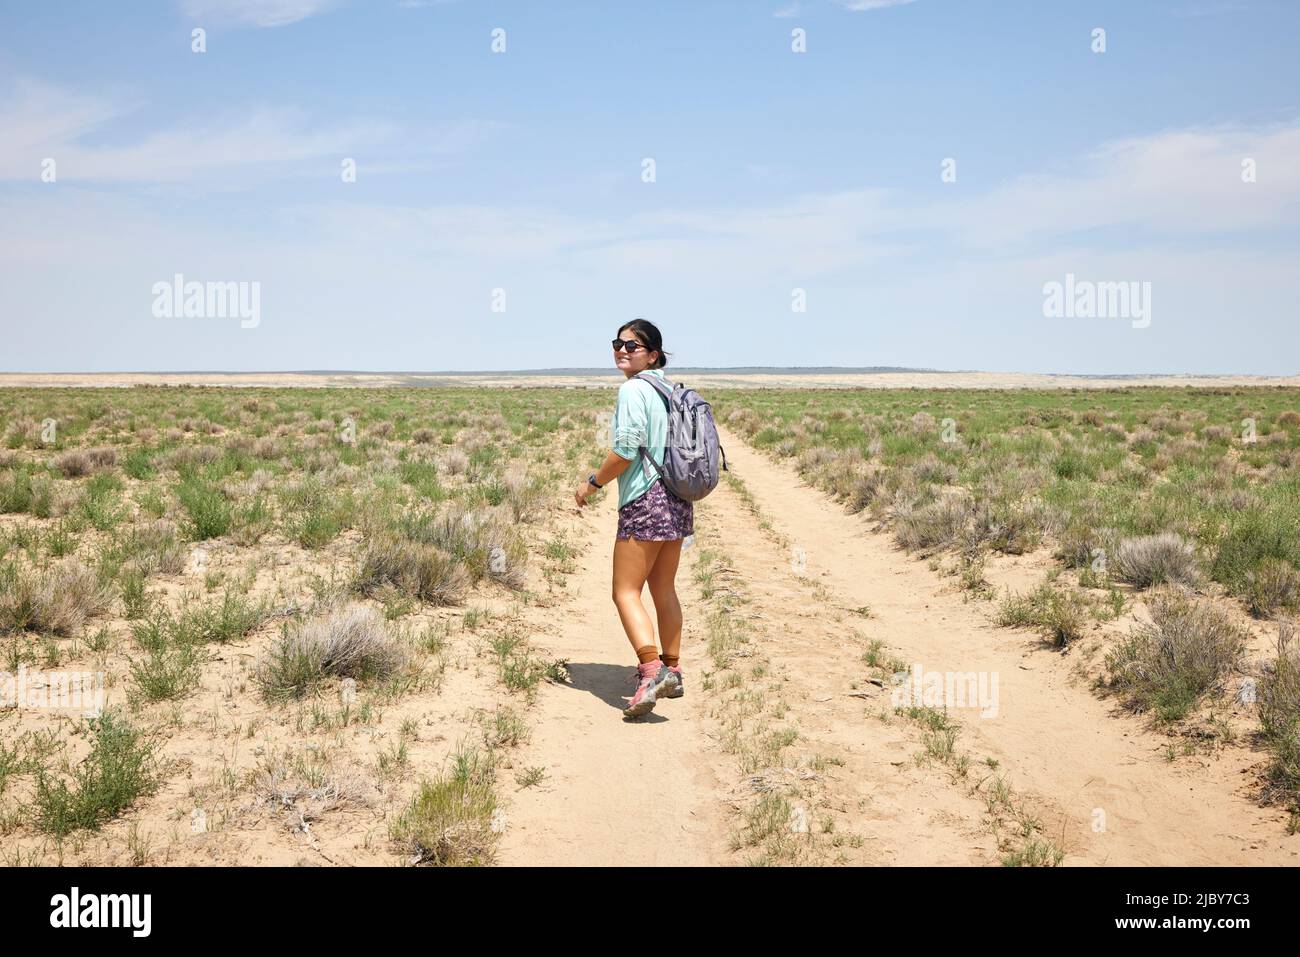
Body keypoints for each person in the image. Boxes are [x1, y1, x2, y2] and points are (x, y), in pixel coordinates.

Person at [573, 319, 693, 718]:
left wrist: (592, 483)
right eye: (618, 343)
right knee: (663, 588)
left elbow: (625, 451)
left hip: (645, 500)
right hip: (677, 498)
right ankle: (672, 669)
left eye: (633, 346)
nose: (622, 350)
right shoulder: (669, 391)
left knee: (624, 591)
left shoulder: (634, 391)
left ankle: (651, 671)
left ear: (653, 354)